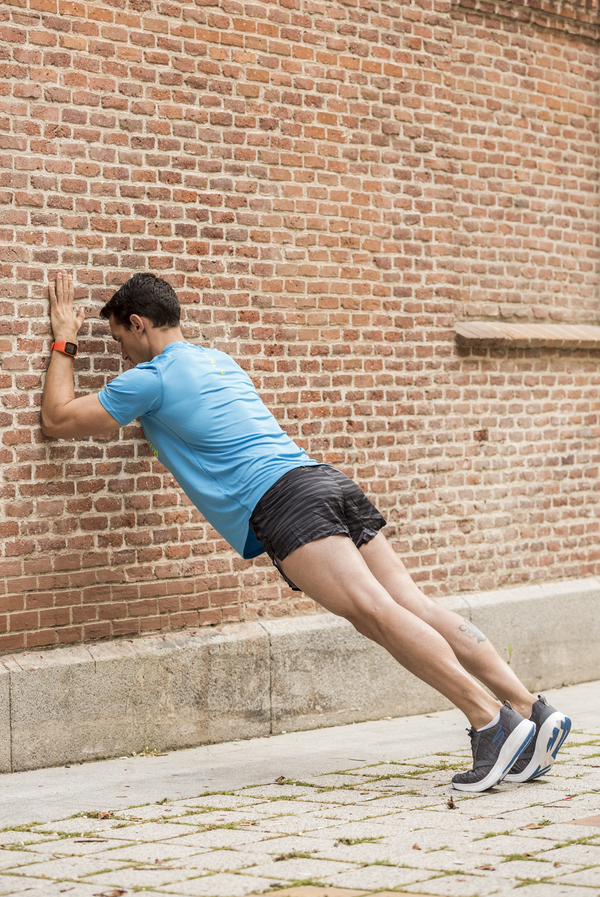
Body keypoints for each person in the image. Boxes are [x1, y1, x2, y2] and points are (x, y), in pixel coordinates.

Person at [41, 270, 571, 792]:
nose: (121, 358)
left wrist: (64, 338)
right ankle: (531, 709)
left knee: (376, 615)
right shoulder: (217, 361)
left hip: (285, 502)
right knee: (413, 603)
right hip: (324, 480)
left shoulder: (150, 378)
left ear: (138, 324)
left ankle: (490, 722)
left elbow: (58, 421)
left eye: (119, 342)